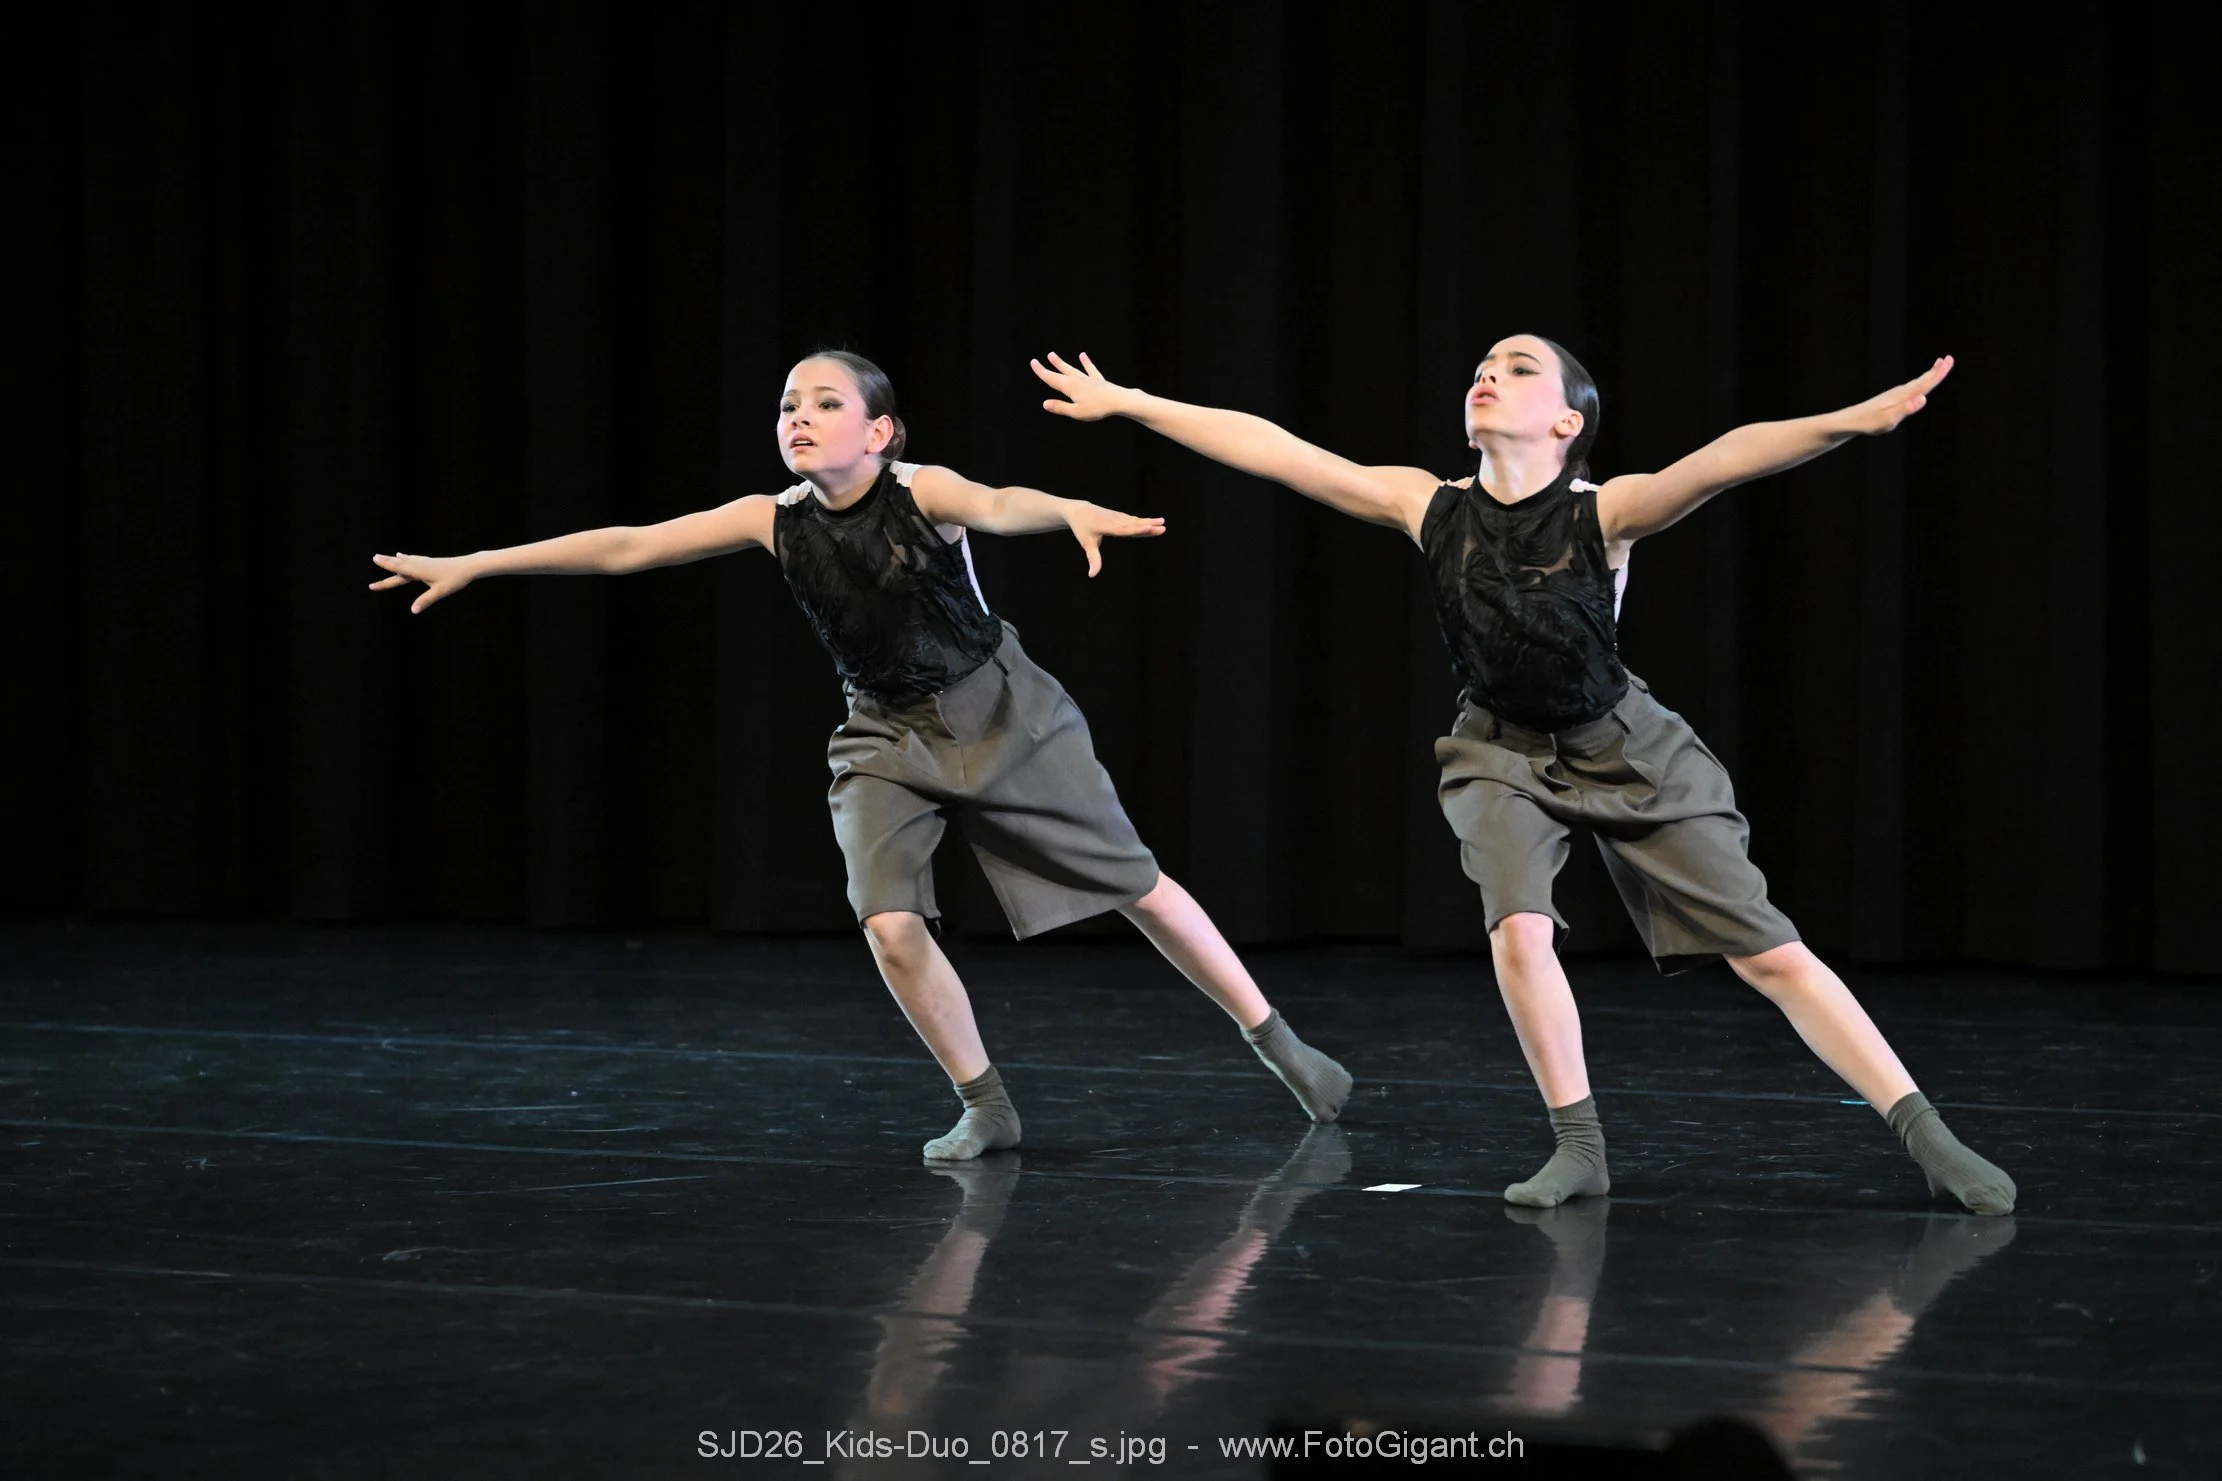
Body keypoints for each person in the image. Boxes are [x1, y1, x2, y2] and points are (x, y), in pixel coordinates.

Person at [1030, 339, 2014, 1214]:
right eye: (1481, 368)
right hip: (1498, 750)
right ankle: (1577, 1146)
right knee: (1519, 927)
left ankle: (1928, 1136)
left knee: (1769, 954)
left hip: (1625, 745)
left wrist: (1849, 421)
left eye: (1517, 368)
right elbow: (1278, 450)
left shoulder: (1606, 510)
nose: (1487, 376)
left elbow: (1726, 457)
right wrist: (1132, 403)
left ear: (1566, 421)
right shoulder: (1429, 504)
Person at [370, 350, 1353, 1160]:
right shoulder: (772, 518)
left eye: (825, 402)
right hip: (884, 731)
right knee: (887, 920)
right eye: (788, 404)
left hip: (1002, 711)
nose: (799, 416)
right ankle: (986, 1104)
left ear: (879, 432)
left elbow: (1000, 499)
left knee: (1137, 885)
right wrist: (478, 563)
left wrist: (1068, 510)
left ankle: (1278, 1041)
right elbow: (629, 545)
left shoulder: (924, 492)